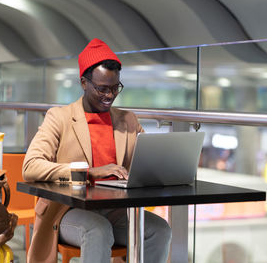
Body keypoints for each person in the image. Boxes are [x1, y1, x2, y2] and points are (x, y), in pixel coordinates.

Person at [22, 38, 172, 263]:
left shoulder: (127, 120)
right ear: (84, 82)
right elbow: (30, 166)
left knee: (159, 230)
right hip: (66, 211)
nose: (110, 95)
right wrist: (88, 172)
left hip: (115, 210)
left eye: (115, 88)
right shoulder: (59, 117)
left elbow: (147, 160)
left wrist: (169, 166)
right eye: (102, 88)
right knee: (98, 230)